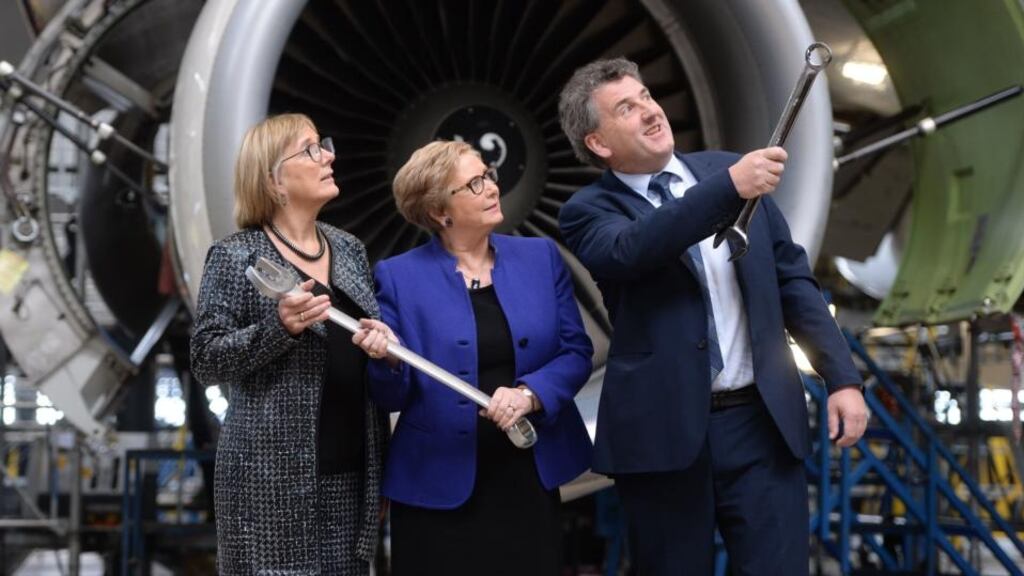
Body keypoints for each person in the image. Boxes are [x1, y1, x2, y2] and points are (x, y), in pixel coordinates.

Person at [556, 58, 869, 575]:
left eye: (647, 96)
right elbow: (635, 248)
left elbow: (793, 283)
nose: (650, 111)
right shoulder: (589, 211)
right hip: (663, 437)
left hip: (760, 425)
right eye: (626, 108)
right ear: (599, 144)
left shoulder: (729, 172)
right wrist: (729, 187)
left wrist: (842, 378)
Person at [359, 140, 593, 575]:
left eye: (487, 175)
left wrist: (531, 395)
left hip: (525, 477)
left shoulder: (540, 257)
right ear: (439, 212)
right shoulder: (397, 277)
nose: (491, 187)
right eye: (474, 183)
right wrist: (385, 360)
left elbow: (576, 351)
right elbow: (390, 395)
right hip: (435, 483)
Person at [190, 113, 392, 575]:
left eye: (324, 144)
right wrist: (278, 329)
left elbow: (362, 342)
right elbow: (205, 358)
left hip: (351, 476)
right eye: (310, 150)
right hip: (268, 484)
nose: (328, 156)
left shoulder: (348, 248)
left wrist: (381, 343)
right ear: (273, 181)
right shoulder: (235, 256)